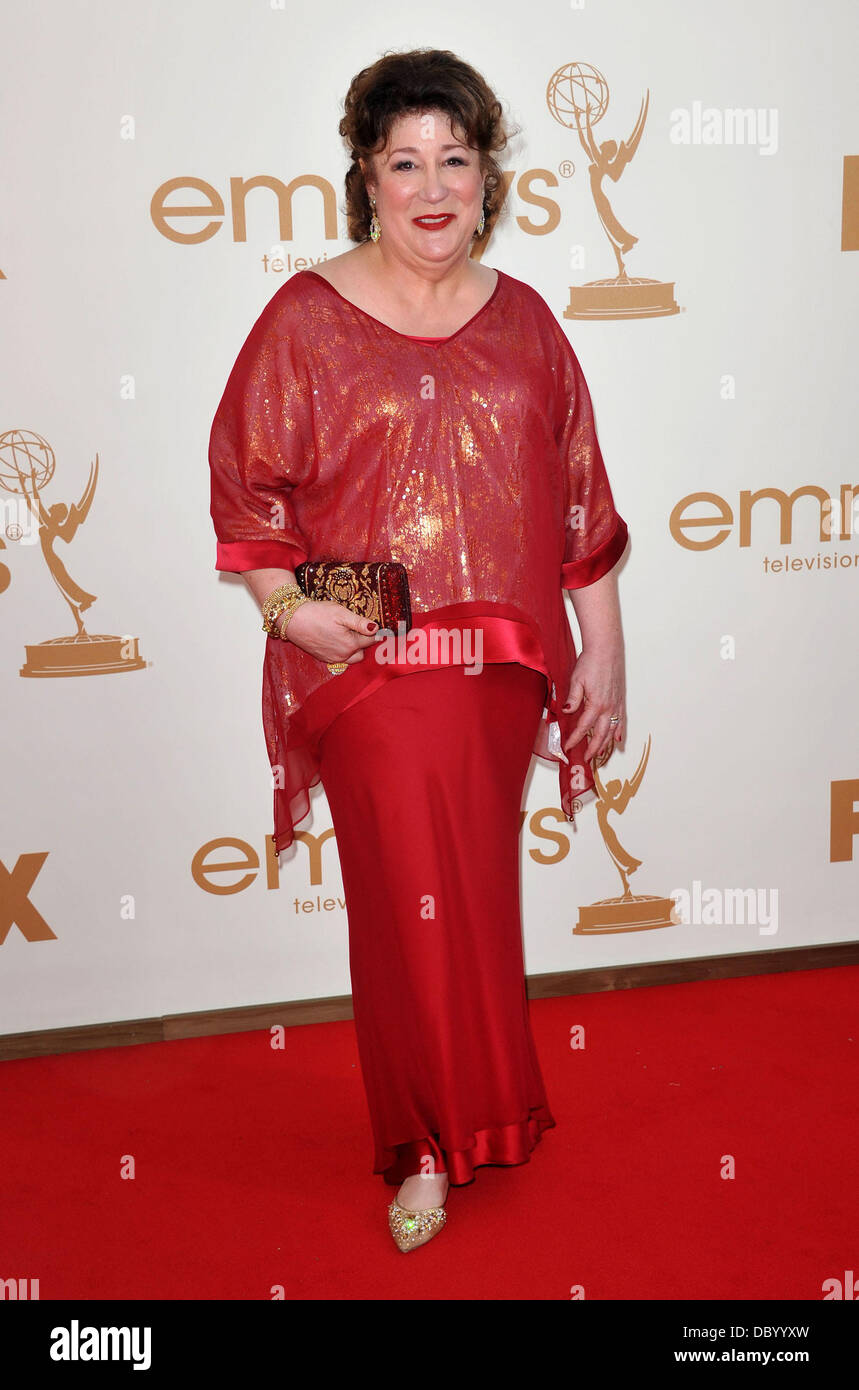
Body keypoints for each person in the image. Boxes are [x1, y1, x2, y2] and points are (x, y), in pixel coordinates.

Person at [208, 48, 629, 1253]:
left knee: (470, 901)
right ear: (366, 176)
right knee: (408, 901)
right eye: (406, 161)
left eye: (455, 158)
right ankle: (434, 1144)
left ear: (488, 174)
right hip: (373, 672)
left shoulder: (528, 322)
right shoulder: (304, 314)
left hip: (499, 671)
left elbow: (578, 505)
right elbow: (248, 485)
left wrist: (602, 656)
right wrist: (288, 611)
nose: (433, 185)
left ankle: (473, 1113)